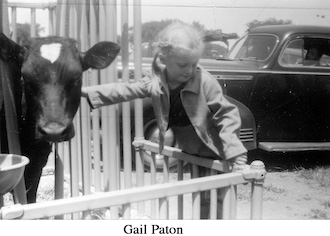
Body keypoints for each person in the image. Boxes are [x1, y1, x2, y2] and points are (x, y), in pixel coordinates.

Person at [81, 22, 248, 219]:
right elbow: (126, 90)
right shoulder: (157, 82)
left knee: (215, 200)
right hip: (193, 149)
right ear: (163, 59)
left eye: (194, 64)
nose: (189, 71)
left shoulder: (204, 80)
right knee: (201, 196)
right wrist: (85, 92)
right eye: (183, 65)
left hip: (216, 149)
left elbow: (227, 114)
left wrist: (237, 155)